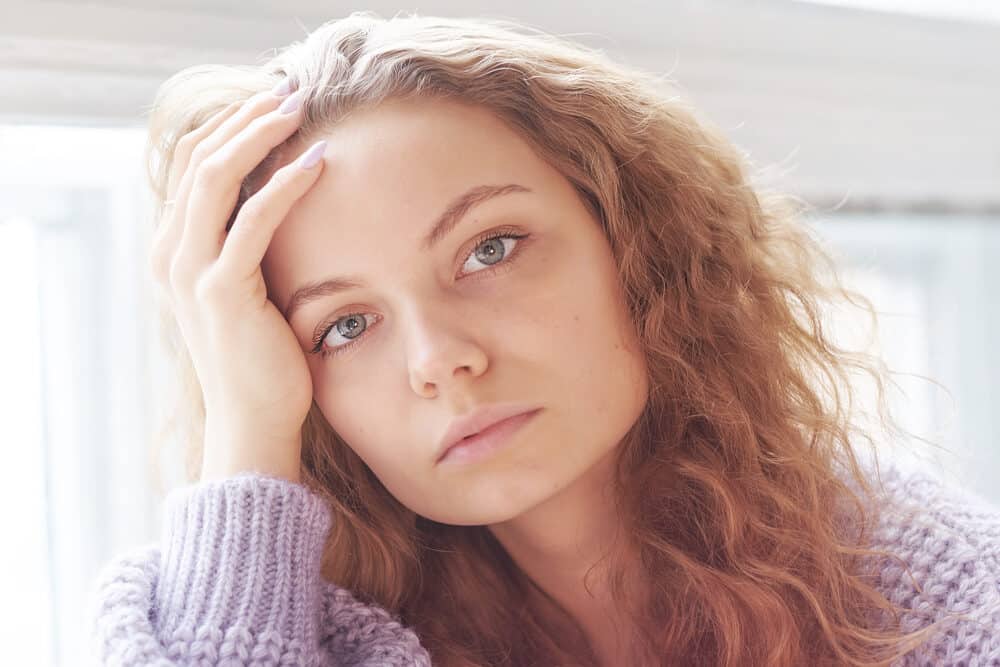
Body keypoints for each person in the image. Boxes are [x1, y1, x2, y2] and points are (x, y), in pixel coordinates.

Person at [87, 11, 1000, 666]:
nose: (438, 357)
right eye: (344, 325)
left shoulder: (918, 588)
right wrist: (247, 433)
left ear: (639, 243)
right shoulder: (337, 631)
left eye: (489, 248)